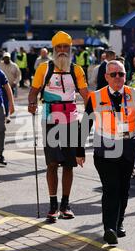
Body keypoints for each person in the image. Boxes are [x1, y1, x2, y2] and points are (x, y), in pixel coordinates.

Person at [78, 60, 135, 245]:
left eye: (121, 74)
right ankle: (109, 228)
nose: (118, 78)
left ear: (125, 76)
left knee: (123, 189)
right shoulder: (95, 97)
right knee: (111, 188)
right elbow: (85, 125)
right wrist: (79, 151)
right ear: (106, 77)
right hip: (105, 151)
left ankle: (119, 224)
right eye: (113, 74)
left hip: (128, 149)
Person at [28, 31, 89, 223]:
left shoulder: (76, 70)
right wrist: (31, 103)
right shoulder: (44, 69)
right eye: (59, 48)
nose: (62, 51)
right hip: (50, 120)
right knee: (52, 164)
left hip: (71, 120)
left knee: (69, 165)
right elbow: (33, 91)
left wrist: (96, 110)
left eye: (66, 48)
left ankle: (66, 204)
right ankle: (53, 205)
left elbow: (87, 96)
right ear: (54, 50)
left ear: (70, 50)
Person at [0, 52, 21, 124]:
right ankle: (6, 115)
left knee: (8, 101)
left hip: (11, 86)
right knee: (4, 101)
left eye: (7, 58)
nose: (6, 59)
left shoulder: (14, 66)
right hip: (1, 87)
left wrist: (15, 82)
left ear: (10, 58)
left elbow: (19, 75)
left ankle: (7, 114)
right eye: (5, 58)